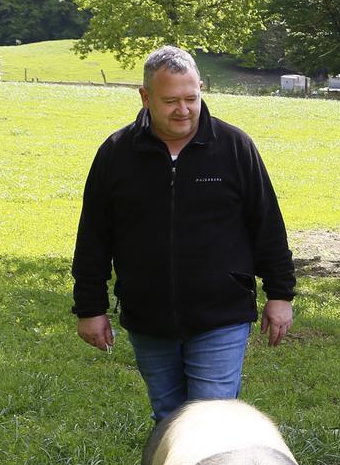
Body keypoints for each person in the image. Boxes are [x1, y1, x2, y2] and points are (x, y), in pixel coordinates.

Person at [72, 45, 294, 420]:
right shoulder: (116, 153)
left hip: (220, 313)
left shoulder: (234, 147)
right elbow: (94, 236)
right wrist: (90, 308)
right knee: (169, 419)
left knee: (211, 420)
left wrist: (280, 294)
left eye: (191, 98)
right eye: (170, 100)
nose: (183, 109)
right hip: (148, 316)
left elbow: (267, 224)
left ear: (202, 89)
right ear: (145, 97)